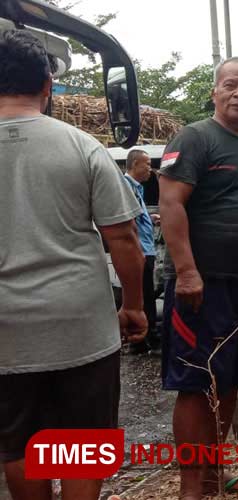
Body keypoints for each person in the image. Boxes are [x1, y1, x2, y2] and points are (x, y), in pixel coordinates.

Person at [0, 30, 147, 500]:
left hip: (5, 333)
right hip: (81, 325)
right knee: (82, 442)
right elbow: (122, 238)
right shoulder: (83, 147)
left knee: (19, 445)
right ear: (47, 85)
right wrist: (135, 306)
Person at [158, 56, 238, 499]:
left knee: (230, 380)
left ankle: (215, 475)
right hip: (203, 285)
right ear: (215, 92)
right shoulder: (195, 138)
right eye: (230, 85)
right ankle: (191, 488)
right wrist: (187, 271)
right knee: (198, 384)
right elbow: (170, 204)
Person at [124, 149, 161, 354]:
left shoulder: (137, 188)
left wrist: (152, 217)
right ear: (135, 164)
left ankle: (146, 337)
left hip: (146, 248)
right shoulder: (125, 186)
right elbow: (129, 220)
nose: (150, 168)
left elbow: (138, 213)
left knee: (147, 294)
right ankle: (143, 340)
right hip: (140, 250)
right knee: (143, 296)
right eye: (146, 164)